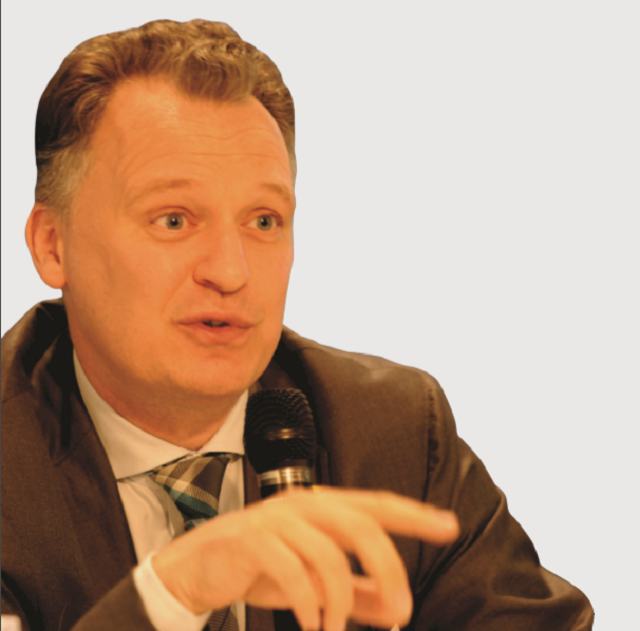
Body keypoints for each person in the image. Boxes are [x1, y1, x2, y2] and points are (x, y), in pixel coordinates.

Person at [0, 18, 594, 631]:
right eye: (173, 220)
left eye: (263, 221)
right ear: (52, 245)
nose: (230, 271)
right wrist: (174, 592)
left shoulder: (393, 435)